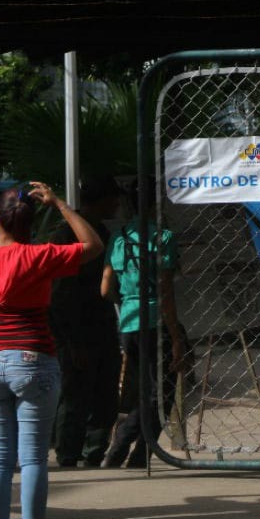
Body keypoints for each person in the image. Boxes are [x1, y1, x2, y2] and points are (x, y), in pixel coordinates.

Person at [0, 182, 103, 519]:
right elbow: (93, 246)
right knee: (35, 459)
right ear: (32, 222)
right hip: (34, 359)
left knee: (0, 460)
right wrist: (60, 204)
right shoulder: (39, 255)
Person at [100, 179, 185, 469]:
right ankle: (130, 448)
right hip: (155, 320)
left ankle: (130, 452)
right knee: (162, 394)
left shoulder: (120, 236)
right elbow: (165, 292)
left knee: (146, 391)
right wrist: (176, 336)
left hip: (129, 322)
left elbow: (105, 288)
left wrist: (126, 300)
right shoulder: (162, 237)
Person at [50, 176, 122, 468]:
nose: (118, 205)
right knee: (75, 394)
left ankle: (94, 451)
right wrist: (72, 340)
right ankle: (68, 454)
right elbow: (60, 294)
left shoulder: (103, 231)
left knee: (104, 393)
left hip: (101, 326)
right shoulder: (65, 236)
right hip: (76, 329)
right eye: (113, 198)